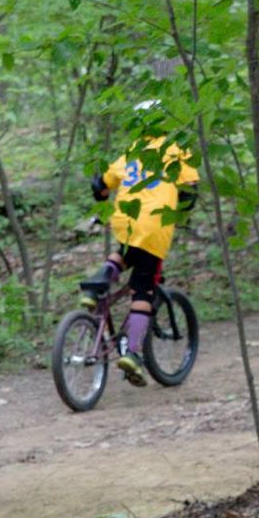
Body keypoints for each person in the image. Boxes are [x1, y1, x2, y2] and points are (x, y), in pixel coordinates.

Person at [83, 131, 199, 385]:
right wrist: (180, 214)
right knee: (143, 290)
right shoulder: (176, 150)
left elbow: (100, 185)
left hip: (127, 219)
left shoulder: (132, 151)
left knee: (126, 253)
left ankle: (95, 288)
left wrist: (102, 196)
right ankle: (133, 353)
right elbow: (190, 192)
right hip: (155, 224)